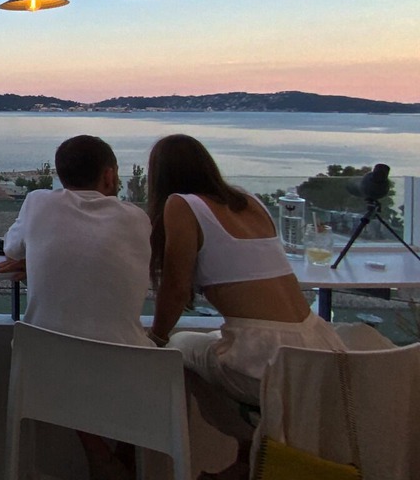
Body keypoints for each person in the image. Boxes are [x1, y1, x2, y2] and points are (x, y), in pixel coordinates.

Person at [146, 134, 345, 479]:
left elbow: (176, 287)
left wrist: (157, 337)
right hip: (319, 350)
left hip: (265, 359)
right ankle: (243, 457)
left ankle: (232, 449)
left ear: (160, 177)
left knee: (178, 348)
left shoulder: (181, 204)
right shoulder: (251, 202)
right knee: (206, 348)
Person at [0, 135, 152, 480]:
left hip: (45, 359)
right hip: (126, 363)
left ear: (61, 176)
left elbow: (12, 248)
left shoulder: (38, 202)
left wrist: (33, 261)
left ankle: (100, 456)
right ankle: (120, 457)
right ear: (110, 176)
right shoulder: (137, 219)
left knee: (67, 349)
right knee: (159, 355)